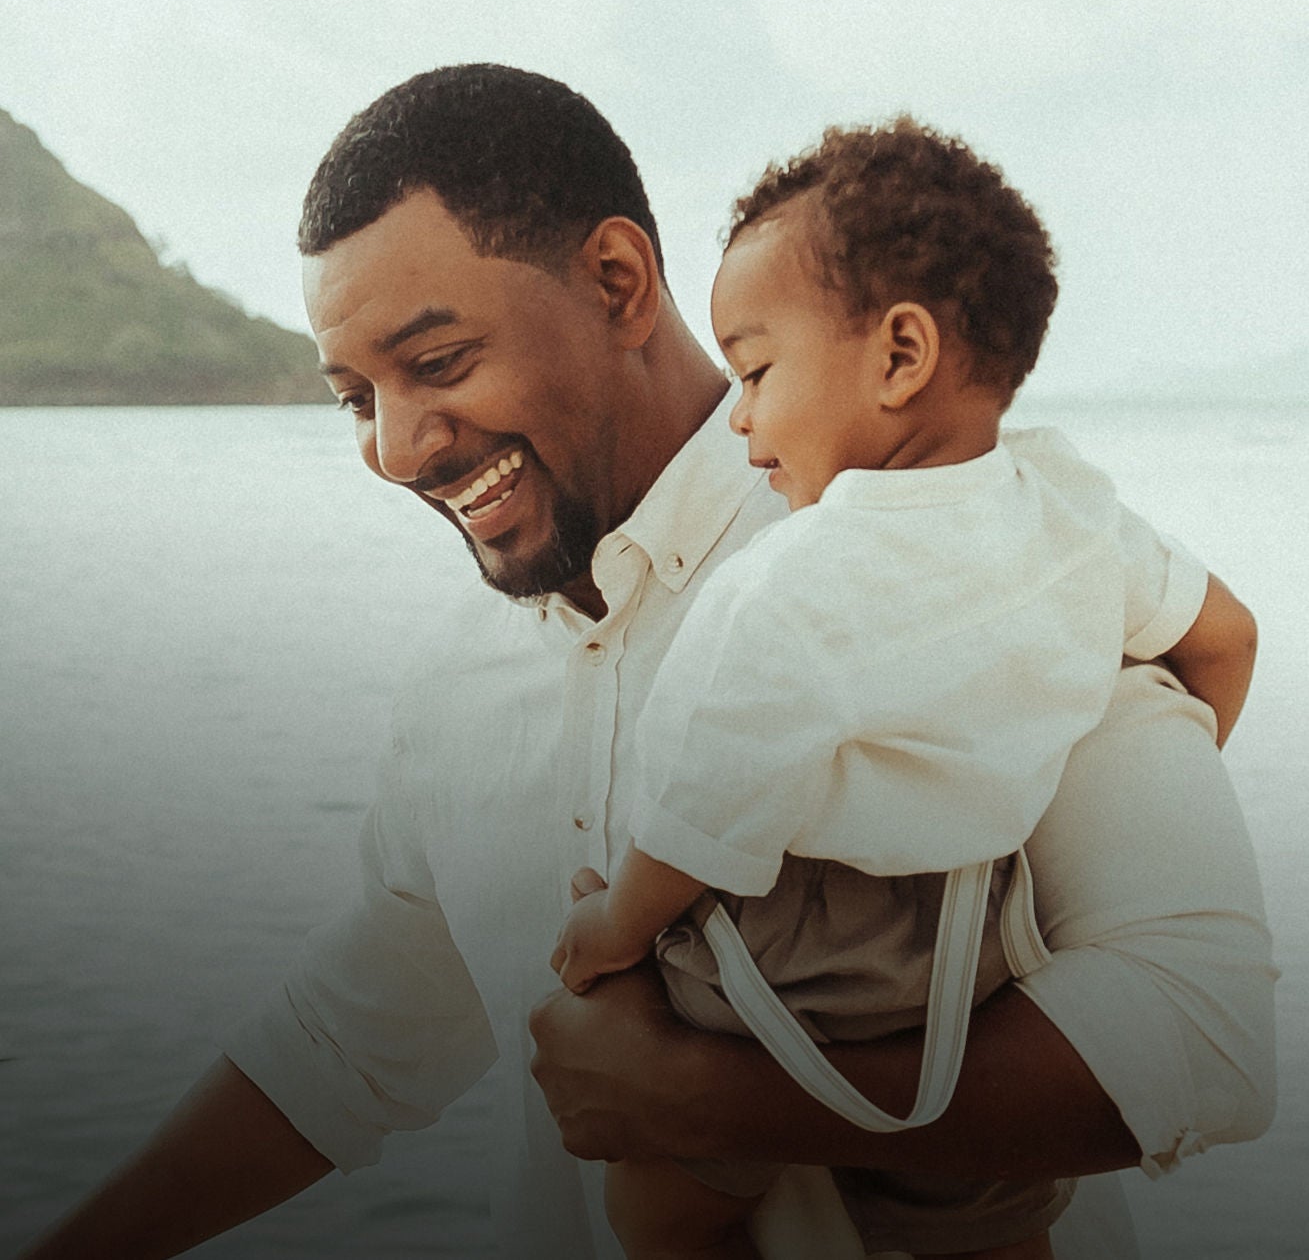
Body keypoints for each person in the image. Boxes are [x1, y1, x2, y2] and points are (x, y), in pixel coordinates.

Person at [19, 65, 1275, 1260]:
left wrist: (715, 1109)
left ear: (619, 281)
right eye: (356, 397)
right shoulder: (461, 687)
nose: (399, 451)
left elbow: (1202, 1036)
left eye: (439, 364)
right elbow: (352, 1043)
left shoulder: (962, 544)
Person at [547, 118, 1258, 1260]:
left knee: (659, 1205)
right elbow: (1225, 637)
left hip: (786, 945)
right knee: (991, 1221)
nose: (737, 418)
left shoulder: (794, 581)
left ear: (898, 356)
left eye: (755, 371)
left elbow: (706, 808)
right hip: (979, 955)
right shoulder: (1072, 508)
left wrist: (611, 927)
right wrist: (1121, 756)